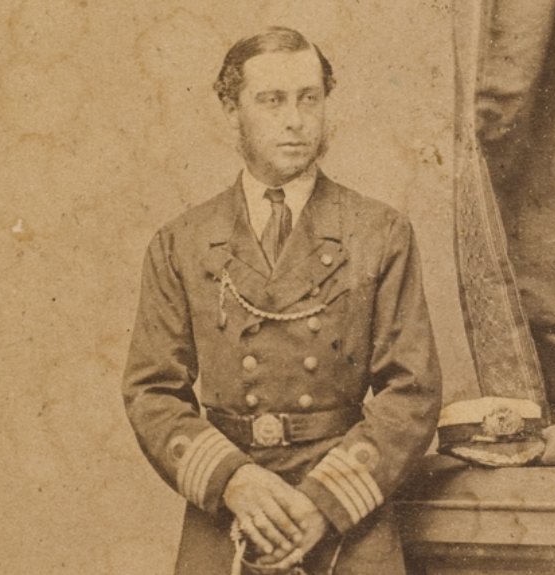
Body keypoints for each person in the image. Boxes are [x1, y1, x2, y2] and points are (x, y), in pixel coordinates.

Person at [122, 26, 442, 575]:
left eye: (308, 98)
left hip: (344, 509)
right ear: (231, 110)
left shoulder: (379, 233)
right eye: (271, 101)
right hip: (229, 511)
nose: (295, 120)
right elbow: (152, 393)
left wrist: (323, 502)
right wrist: (235, 481)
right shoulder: (181, 242)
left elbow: (411, 392)